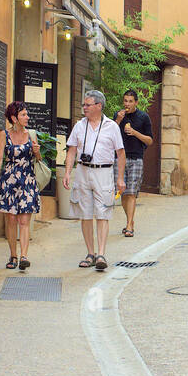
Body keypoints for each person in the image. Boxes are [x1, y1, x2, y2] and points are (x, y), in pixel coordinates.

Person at [63, 89, 125, 272]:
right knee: (85, 213)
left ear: (99, 106)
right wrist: (68, 172)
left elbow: (121, 154)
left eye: (87, 105)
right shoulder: (79, 125)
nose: (84, 108)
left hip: (103, 172)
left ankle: (101, 254)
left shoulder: (112, 126)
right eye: (84, 105)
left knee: (103, 212)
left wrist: (120, 178)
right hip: (83, 170)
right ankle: (90, 253)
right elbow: (72, 150)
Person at [0, 101, 41, 270]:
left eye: (26, 114)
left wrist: (37, 151)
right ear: (14, 118)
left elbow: (38, 159)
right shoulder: (4, 135)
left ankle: (24, 256)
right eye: (23, 115)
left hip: (27, 179)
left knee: (24, 220)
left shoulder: (31, 134)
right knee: (11, 219)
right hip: (9, 180)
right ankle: (13, 255)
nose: (27, 117)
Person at [114, 89, 153, 237]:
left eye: (130, 101)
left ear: (136, 102)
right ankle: (129, 220)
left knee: (131, 193)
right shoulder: (118, 116)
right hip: (118, 158)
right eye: (125, 101)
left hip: (136, 158)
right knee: (123, 192)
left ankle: (129, 225)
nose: (127, 104)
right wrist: (117, 120)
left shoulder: (143, 117)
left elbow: (150, 141)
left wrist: (135, 133)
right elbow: (109, 134)